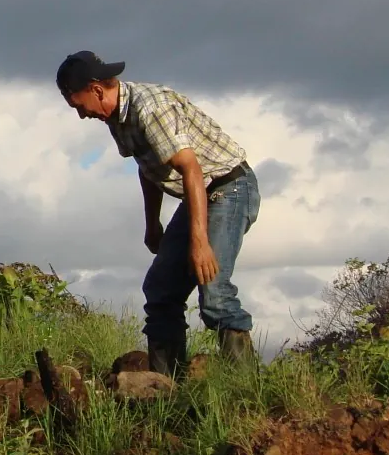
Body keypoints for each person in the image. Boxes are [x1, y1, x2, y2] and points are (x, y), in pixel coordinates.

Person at [56, 51, 259, 375]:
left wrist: (199, 241)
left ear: (96, 89)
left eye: (79, 106)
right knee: (161, 290)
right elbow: (147, 167)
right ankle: (166, 387)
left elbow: (191, 169)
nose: (82, 115)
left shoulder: (150, 108)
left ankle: (247, 386)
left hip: (229, 187)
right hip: (199, 194)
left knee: (214, 290)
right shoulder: (116, 117)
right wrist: (152, 224)